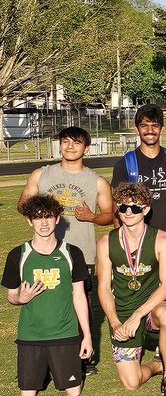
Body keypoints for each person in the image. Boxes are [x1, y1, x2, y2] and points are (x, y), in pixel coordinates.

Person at [20, 126, 112, 374]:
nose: (70, 147)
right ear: (59, 146)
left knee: (81, 304)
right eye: (65, 142)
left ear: (87, 148)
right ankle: (40, 356)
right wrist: (43, 209)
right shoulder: (42, 174)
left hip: (81, 252)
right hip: (45, 252)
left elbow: (110, 216)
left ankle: (84, 356)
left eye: (76, 143)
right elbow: (22, 205)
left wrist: (92, 216)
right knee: (43, 303)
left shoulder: (97, 181)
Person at [97, 182, 166, 396]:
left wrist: (138, 315)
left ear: (145, 209)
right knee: (131, 383)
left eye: (135, 208)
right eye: (123, 207)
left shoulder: (162, 239)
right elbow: (104, 288)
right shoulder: (106, 242)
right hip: (123, 310)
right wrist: (115, 322)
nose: (128, 212)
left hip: (151, 307)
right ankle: (158, 365)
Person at [4, 196, 92, 396]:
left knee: (73, 392)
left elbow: (79, 296)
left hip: (65, 334)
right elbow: (11, 296)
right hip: (31, 335)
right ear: (29, 221)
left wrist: (86, 336)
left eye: (48, 217)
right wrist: (21, 298)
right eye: (37, 217)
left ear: (57, 218)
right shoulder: (18, 254)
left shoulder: (72, 253)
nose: (43, 223)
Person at [111, 104, 166, 233]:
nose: (150, 130)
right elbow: (117, 210)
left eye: (155, 125)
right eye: (144, 126)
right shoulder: (124, 164)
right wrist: (121, 243)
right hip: (139, 239)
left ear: (162, 129)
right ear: (137, 129)